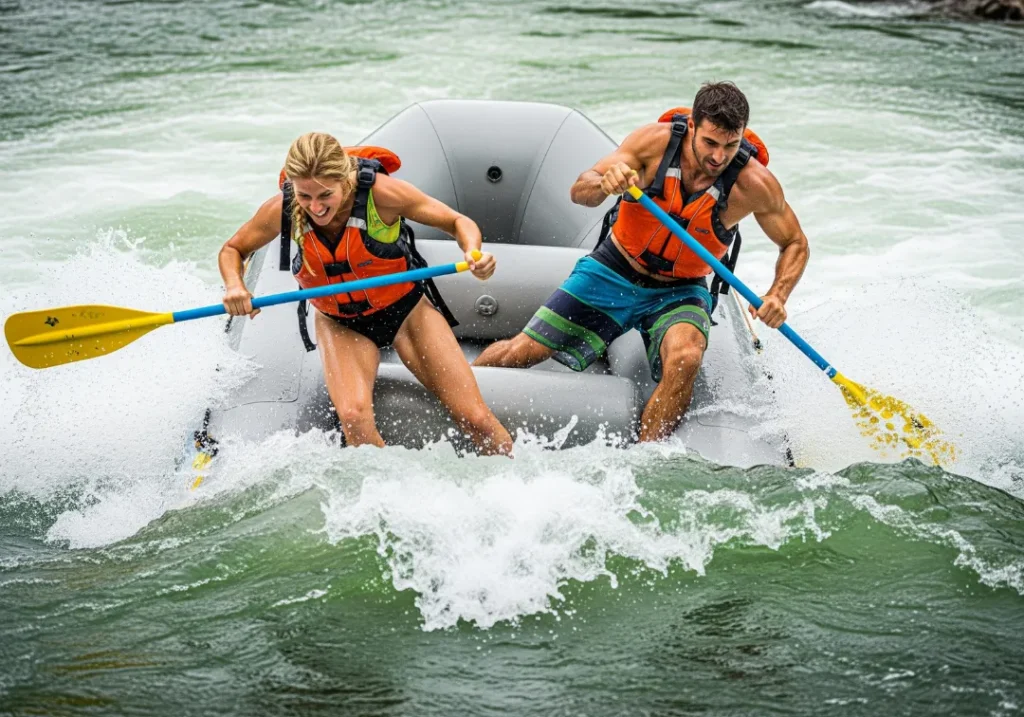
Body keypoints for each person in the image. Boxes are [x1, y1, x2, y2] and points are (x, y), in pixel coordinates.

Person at [474, 82, 809, 442]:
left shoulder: (754, 184)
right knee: (523, 350)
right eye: (710, 143)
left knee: (686, 357)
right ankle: (458, 394)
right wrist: (605, 184)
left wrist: (778, 294)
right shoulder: (653, 144)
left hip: (680, 290)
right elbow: (579, 190)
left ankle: (647, 458)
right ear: (692, 126)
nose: (717, 157)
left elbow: (795, 242)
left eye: (729, 146)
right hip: (614, 268)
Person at [219, 132, 513, 455]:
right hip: (341, 323)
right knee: (354, 418)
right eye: (305, 196)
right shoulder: (283, 209)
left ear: (344, 180)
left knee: (476, 419)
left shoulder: (382, 195)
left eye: (325, 195)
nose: (315, 208)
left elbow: (457, 222)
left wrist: (473, 253)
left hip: (405, 312)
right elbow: (233, 249)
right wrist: (235, 285)